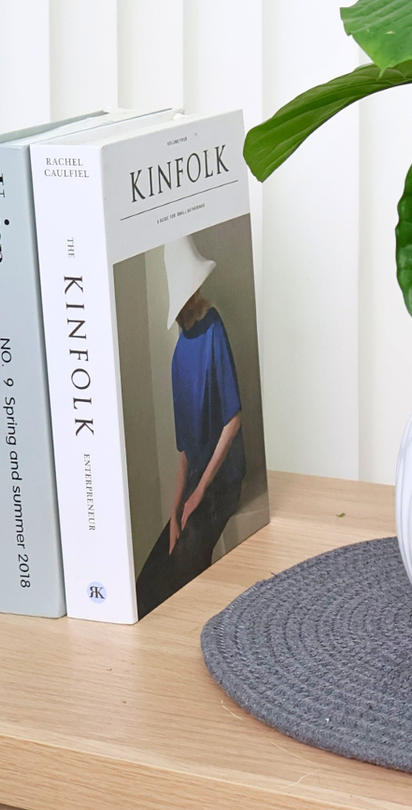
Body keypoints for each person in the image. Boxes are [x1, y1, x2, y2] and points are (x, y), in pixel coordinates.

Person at [135, 234, 246, 618]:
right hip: (198, 481)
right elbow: (185, 453)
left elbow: (232, 422)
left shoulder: (214, 328)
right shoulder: (179, 357)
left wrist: (198, 496)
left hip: (224, 477)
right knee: (150, 577)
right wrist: (175, 509)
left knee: (184, 566)